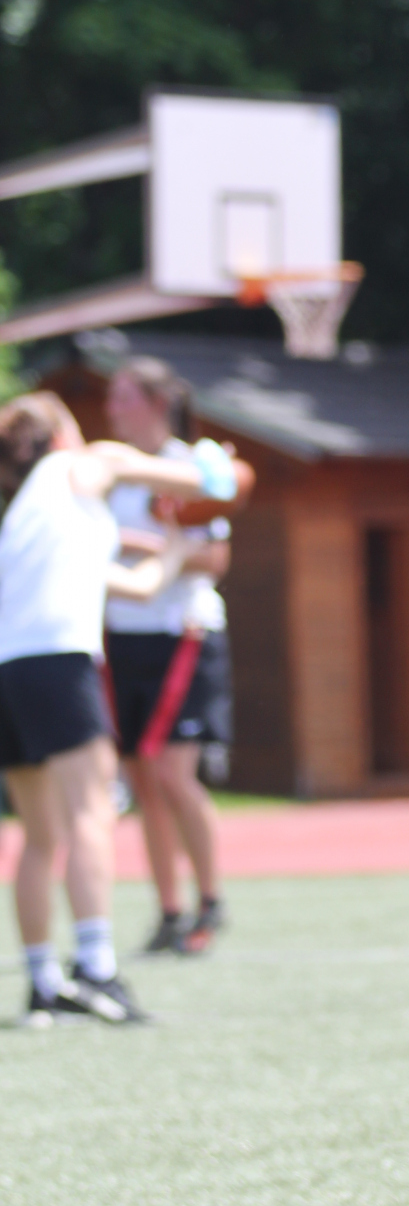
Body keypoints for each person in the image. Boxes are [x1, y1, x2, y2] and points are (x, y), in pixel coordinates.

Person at [0, 393, 235, 1027]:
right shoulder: (87, 463)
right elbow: (210, 483)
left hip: (8, 670)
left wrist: (173, 549)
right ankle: (96, 969)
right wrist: (218, 461)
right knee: (90, 812)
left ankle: (43, 984)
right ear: (58, 435)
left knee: (40, 835)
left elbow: (140, 585)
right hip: (57, 662)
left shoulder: (32, 515)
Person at [103, 357, 233, 955]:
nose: (112, 409)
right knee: (143, 783)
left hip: (183, 633)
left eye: (123, 397)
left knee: (173, 775)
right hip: (123, 636)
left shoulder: (192, 467)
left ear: (157, 404)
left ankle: (211, 900)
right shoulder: (113, 472)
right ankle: (169, 911)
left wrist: (147, 549)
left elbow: (214, 559)